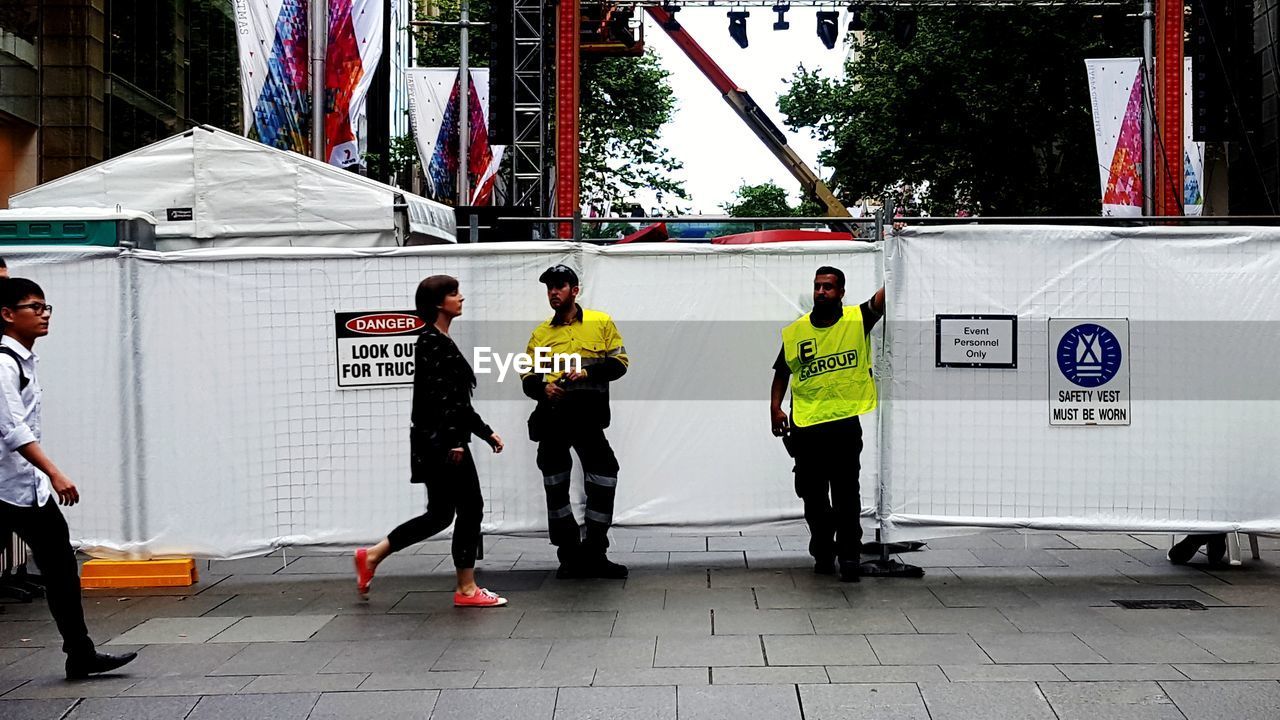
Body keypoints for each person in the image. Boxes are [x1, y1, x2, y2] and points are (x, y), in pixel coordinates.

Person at [0, 277, 138, 678]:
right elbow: (13, 430)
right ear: (8, 315)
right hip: (5, 490)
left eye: (46, 308)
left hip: (27, 490)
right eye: (34, 308)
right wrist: (56, 473)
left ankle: (80, 653)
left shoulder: (24, 360)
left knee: (61, 570)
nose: (44, 315)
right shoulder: (3, 363)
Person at [353, 275, 508, 608]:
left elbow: (457, 401)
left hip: (439, 441)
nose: (461, 298)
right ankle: (466, 589)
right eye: (454, 294)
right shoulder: (431, 341)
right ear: (439, 303)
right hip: (442, 443)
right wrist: (455, 441)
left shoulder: (440, 339)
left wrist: (485, 432)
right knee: (470, 507)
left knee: (440, 515)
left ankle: (372, 557)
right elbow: (438, 399)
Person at [770, 267, 884, 583]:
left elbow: (883, 298)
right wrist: (775, 408)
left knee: (847, 495)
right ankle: (823, 551)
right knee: (814, 497)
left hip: (844, 426)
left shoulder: (856, 320)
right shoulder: (797, 332)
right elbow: (782, 372)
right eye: (818, 286)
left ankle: (849, 556)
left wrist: (897, 247)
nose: (822, 292)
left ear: (841, 292)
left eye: (829, 287)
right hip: (806, 427)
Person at [521, 265, 630, 579]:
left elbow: (620, 363)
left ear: (575, 290)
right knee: (555, 486)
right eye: (549, 288)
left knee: (605, 475)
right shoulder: (541, 333)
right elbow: (528, 377)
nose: (554, 293)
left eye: (560, 286)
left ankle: (595, 551)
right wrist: (543, 388)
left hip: (588, 417)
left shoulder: (600, 322)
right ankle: (568, 555)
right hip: (553, 419)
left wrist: (587, 372)